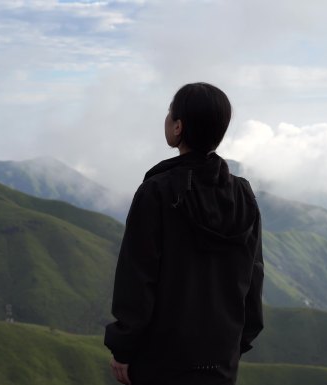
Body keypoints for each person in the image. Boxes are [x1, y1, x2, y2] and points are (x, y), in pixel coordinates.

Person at [104, 82, 264, 385]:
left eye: (169, 113)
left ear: (178, 127)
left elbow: (137, 278)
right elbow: (253, 275)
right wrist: (237, 342)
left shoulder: (157, 191)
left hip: (161, 361)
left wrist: (123, 346)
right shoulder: (243, 195)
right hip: (220, 359)